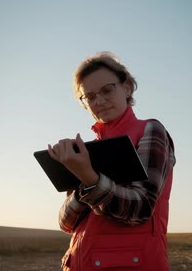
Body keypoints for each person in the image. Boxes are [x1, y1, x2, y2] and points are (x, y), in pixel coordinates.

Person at [47, 52, 176, 271]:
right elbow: (65, 223)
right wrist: (82, 187)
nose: (99, 100)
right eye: (90, 97)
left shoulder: (150, 130)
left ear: (126, 88)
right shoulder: (85, 153)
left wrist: (90, 178)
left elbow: (141, 207)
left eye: (107, 90)